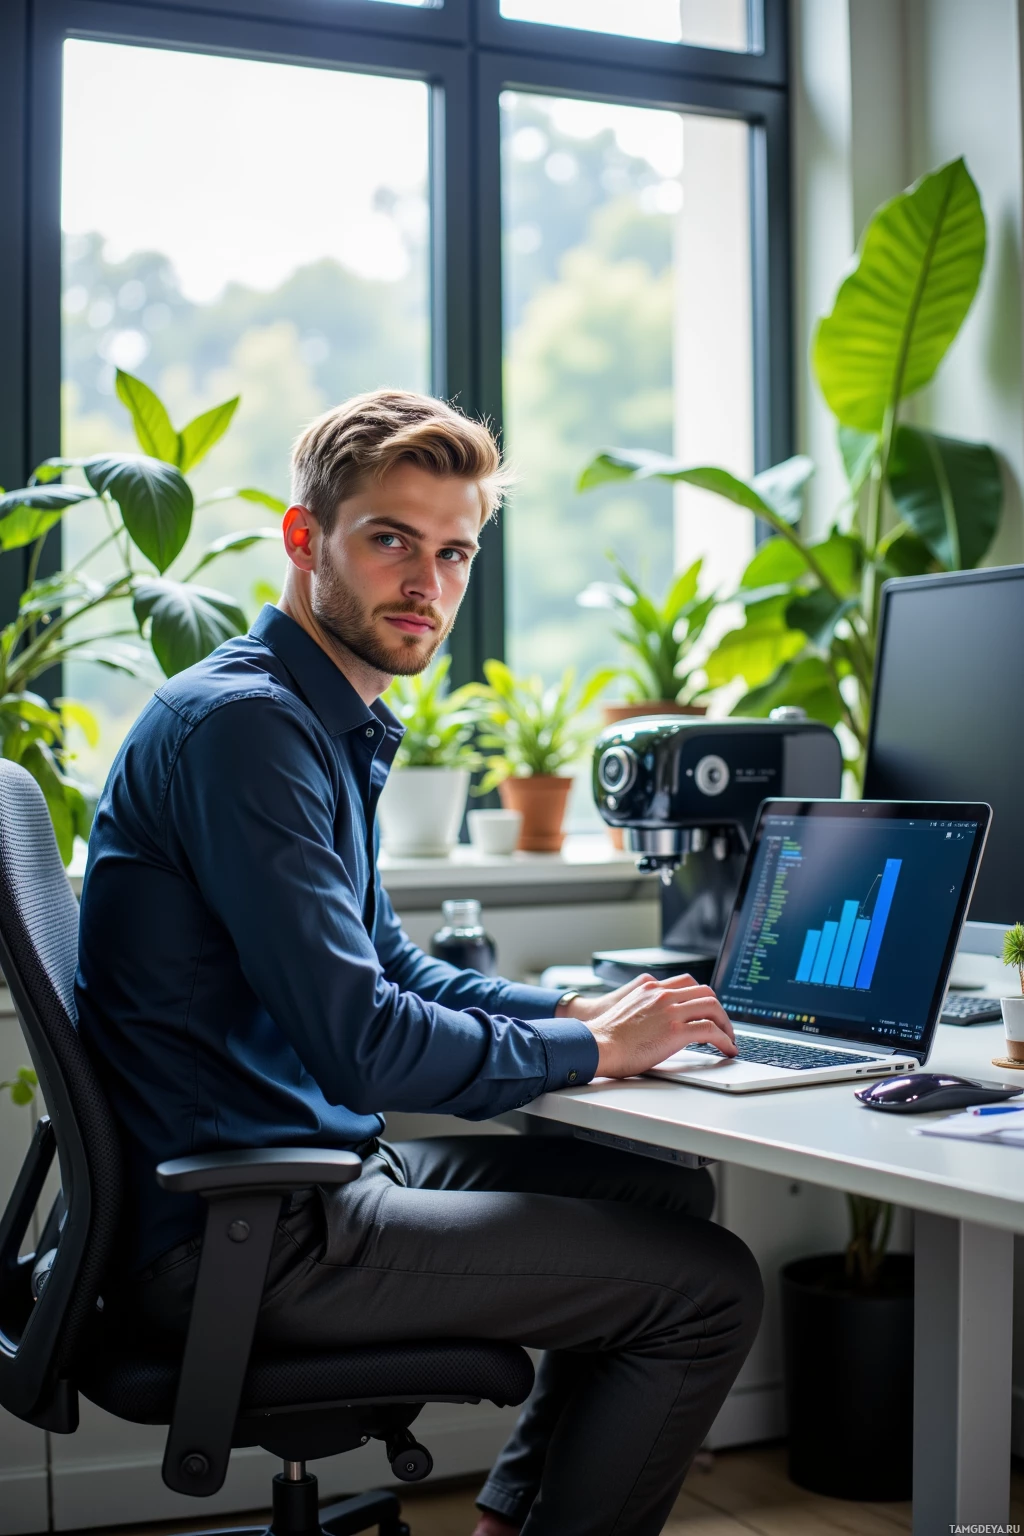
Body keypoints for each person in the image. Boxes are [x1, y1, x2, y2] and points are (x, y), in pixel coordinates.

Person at [76, 389, 762, 1536]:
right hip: (248, 1235)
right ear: (306, 541)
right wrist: (591, 1048)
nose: (425, 584)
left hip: (296, 1184)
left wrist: (570, 1006)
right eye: (391, 539)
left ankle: (509, 1519)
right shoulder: (249, 732)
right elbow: (364, 1039)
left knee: (661, 1190)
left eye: (453, 552)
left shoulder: (310, 720)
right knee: (708, 1289)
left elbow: (386, 965)